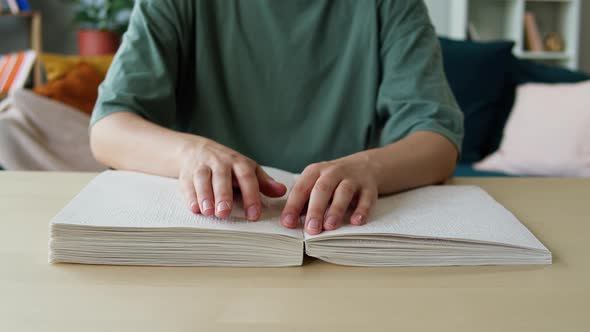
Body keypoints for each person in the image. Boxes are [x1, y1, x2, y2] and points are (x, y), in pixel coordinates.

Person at [90, 0, 464, 235]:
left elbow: (437, 139)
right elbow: (108, 128)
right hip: (211, 232)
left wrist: (370, 167)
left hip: (344, 235)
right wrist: (190, 154)